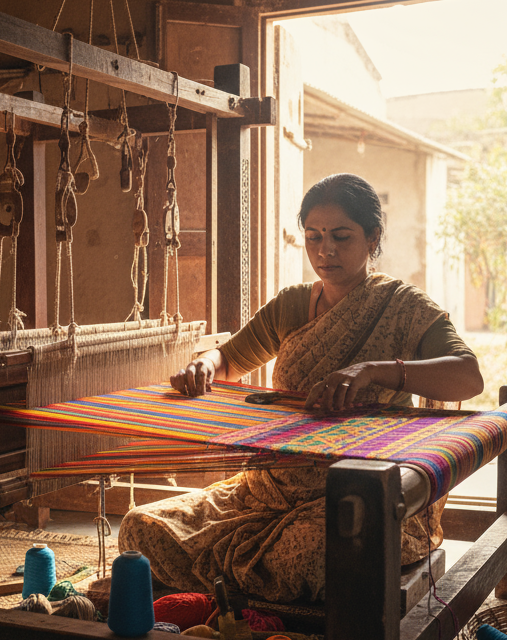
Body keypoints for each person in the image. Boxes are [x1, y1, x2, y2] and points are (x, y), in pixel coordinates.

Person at [117, 173, 483, 603]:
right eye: (313, 237)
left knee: (317, 551)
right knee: (143, 527)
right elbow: (230, 358)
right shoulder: (292, 305)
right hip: (267, 487)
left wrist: (376, 371)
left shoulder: (403, 307)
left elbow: (468, 375)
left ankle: (238, 603)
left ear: (372, 237)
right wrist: (204, 365)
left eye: (341, 237)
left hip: (355, 496)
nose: (325, 250)